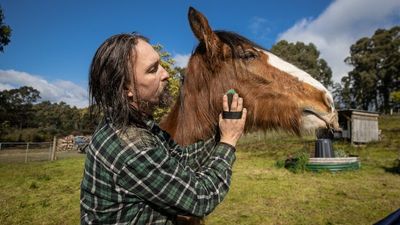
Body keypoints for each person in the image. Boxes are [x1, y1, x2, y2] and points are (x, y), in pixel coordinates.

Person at [80, 33, 247, 225]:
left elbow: (182, 157)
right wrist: (228, 142)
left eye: (160, 64)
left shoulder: (131, 122)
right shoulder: (134, 146)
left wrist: (221, 132)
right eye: (152, 70)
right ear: (126, 89)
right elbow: (200, 199)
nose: (166, 74)